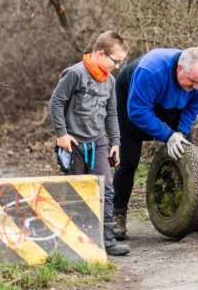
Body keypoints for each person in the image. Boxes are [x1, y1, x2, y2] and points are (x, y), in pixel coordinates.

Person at [112, 47, 198, 240]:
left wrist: (180, 132)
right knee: (129, 161)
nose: (196, 87)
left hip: (170, 105)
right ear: (179, 69)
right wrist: (167, 135)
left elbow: (193, 107)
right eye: (192, 82)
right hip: (132, 103)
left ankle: (186, 216)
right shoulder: (151, 71)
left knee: (186, 154)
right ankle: (117, 214)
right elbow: (137, 111)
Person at [49, 31, 131, 256]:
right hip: (73, 144)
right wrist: (61, 134)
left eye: (120, 63)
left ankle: (108, 240)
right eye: (115, 61)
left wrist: (115, 142)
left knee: (105, 190)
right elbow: (56, 103)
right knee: (76, 191)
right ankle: (75, 242)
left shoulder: (110, 81)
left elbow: (112, 114)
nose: (116, 66)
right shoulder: (75, 74)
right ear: (100, 53)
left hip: (99, 143)